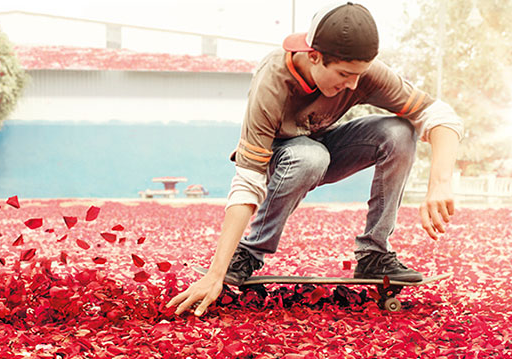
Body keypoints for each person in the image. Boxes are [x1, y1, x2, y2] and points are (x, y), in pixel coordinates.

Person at [168, 1, 463, 317]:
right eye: (344, 74)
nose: (352, 84)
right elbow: (248, 179)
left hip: (326, 147)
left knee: (400, 132)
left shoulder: (363, 74)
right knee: (309, 156)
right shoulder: (273, 80)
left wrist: (439, 182)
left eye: (358, 74)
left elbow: (440, 115)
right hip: (281, 159)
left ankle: (374, 254)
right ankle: (249, 253)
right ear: (314, 57)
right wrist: (217, 272)